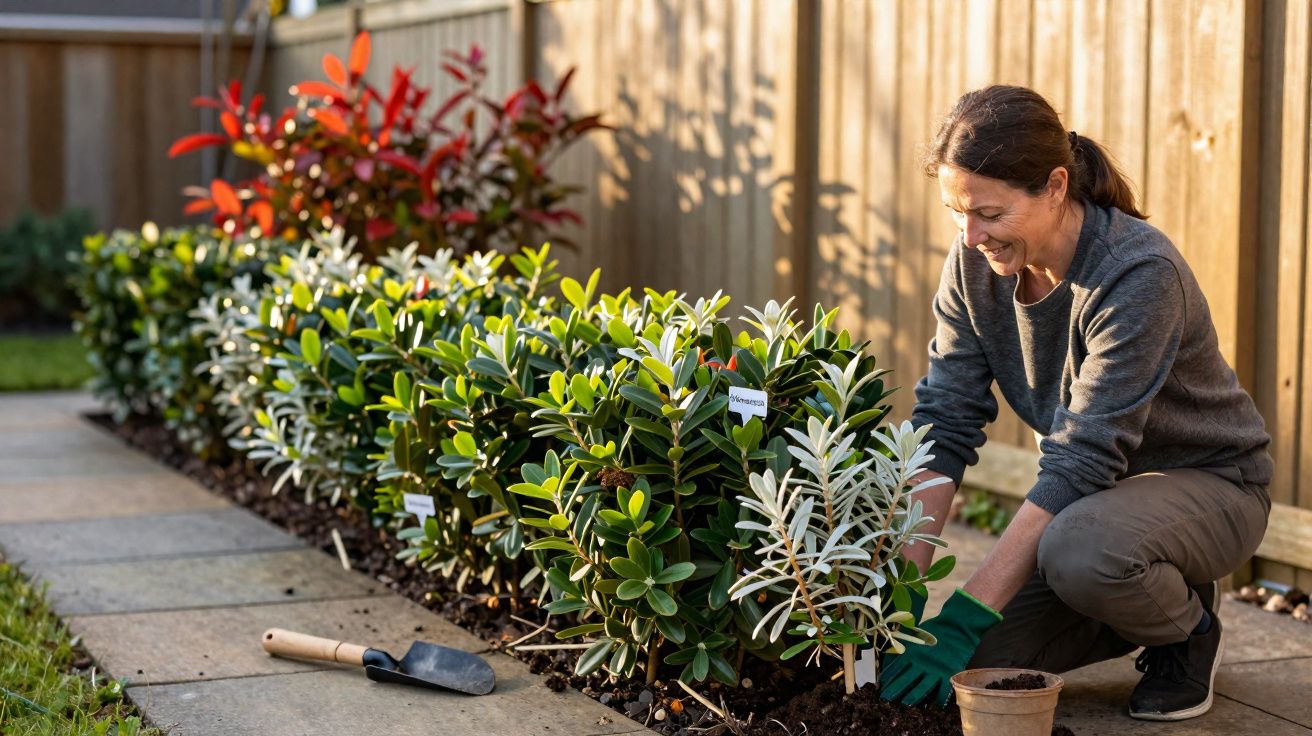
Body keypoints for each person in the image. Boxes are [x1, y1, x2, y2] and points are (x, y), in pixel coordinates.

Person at [878, 85, 1273, 722]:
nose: (971, 235)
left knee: (1079, 554)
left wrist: (965, 612)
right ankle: (1136, 589)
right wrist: (899, 594)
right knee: (977, 666)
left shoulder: (1136, 273)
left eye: (989, 213)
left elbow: (1080, 462)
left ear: (1056, 187)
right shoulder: (975, 263)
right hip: (1096, 505)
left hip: (1214, 486)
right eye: (957, 213)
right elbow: (944, 421)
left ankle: (1187, 630)